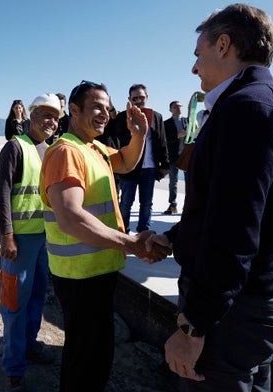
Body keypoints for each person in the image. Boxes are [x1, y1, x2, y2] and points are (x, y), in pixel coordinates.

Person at [148, 3, 273, 391]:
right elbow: (236, 206)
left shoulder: (249, 109)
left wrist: (193, 325)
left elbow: (234, 232)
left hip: (235, 311)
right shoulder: (266, 101)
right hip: (248, 304)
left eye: (198, 55)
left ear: (223, 45)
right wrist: (174, 238)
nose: (194, 68)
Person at [39, 80, 166, 391]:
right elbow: (70, 218)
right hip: (79, 276)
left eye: (108, 108)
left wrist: (139, 135)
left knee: (95, 352)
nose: (105, 113)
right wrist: (131, 244)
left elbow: (125, 161)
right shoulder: (66, 152)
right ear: (74, 110)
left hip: (98, 269)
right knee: (87, 357)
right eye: (97, 106)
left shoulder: (93, 147)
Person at [0, 93, 62, 392]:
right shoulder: (16, 147)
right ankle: (14, 368)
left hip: (46, 238)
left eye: (55, 117)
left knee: (36, 298)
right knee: (14, 303)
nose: (50, 121)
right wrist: (6, 235)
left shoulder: (54, 150)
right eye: (45, 115)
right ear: (31, 116)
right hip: (20, 241)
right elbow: (2, 192)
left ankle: (29, 346)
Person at [111, 84, 169, 232]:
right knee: (126, 202)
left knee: (147, 203)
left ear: (147, 97)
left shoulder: (156, 116)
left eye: (141, 97)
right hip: (129, 166)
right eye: (134, 98)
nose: (138, 101)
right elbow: (116, 137)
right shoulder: (123, 117)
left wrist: (165, 164)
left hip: (149, 167)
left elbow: (162, 141)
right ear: (129, 99)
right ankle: (123, 231)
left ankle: (144, 232)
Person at [163, 100, 187, 215]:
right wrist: (178, 136)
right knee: (173, 182)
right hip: (173, 156)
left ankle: (188, 204)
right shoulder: (166, 123)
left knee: (190, 182)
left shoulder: (187, 121)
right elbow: (164, 140)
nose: (178, 108)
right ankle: (173, 205)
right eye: (175, 107)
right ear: (170, 109)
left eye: (180, 106)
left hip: (186, 156)